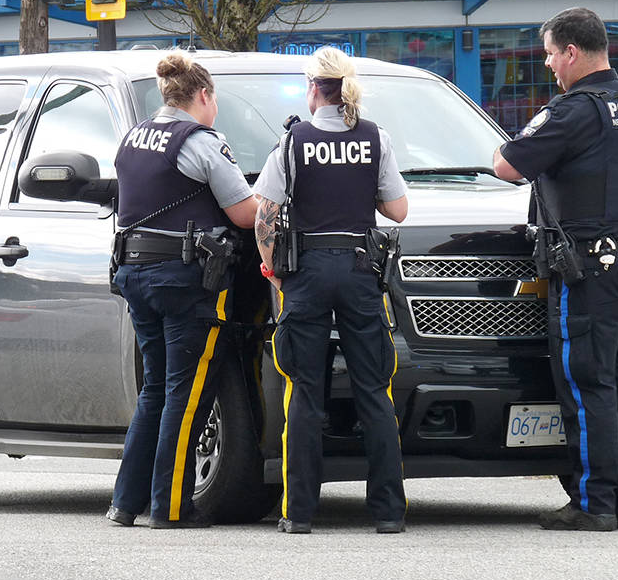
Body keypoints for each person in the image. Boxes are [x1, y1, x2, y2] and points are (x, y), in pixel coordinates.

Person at [493, 7, 618, 532]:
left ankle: (596, 503)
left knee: (590, 381)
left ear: (571, 52)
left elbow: (507, 165)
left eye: (549, 54)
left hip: (595, 267)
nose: (548, 65)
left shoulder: (573, 110)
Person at [252, 46, 409, 534]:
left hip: (307, 274)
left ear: (313, 88)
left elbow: (264, 212)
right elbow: (398, 210)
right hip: (362, 271)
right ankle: (388, 513)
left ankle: (298, 513)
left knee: (304, 390)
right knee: (374, 391)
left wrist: (271, 266)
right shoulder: (374, 137)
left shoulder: (293, 141)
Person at [106, 51, 258, 529]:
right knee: (186, 394)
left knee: (155, 389)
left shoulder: (133, 137)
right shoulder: (202, 142)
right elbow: (245, 213)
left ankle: (125, 503)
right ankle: (172, 507)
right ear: (204, 96)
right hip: (185, 281)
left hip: (135, 274)